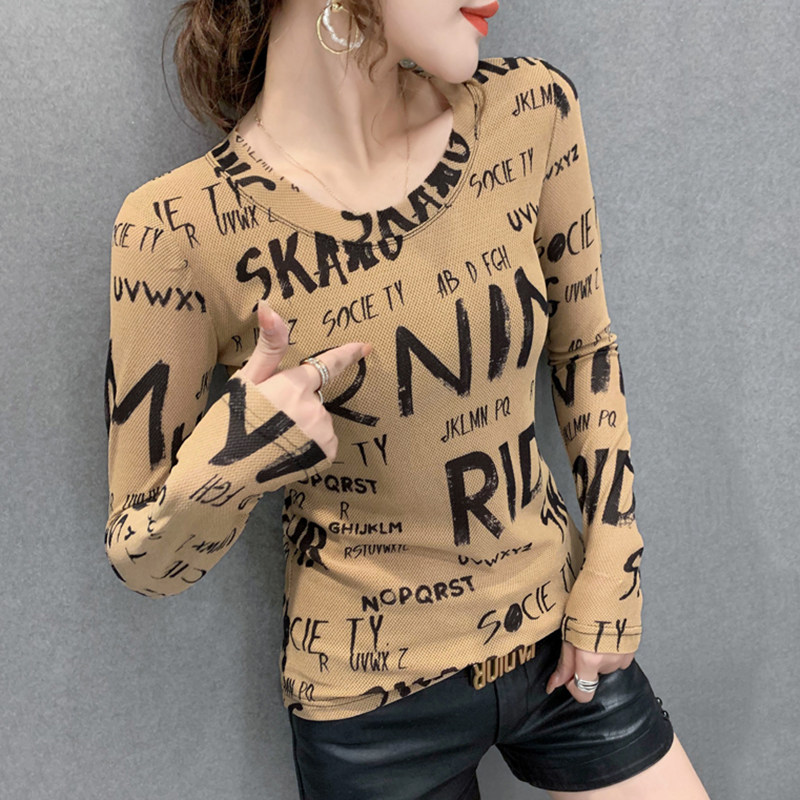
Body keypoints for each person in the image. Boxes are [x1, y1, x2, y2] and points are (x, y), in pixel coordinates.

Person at [103, 0, 711, 797]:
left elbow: (583, 347)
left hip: (565, 641)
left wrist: (614, 564)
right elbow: (140, 559)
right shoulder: (177, 229)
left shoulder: (529, 112)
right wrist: (235, 457)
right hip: (373, 713)